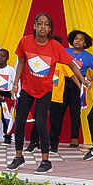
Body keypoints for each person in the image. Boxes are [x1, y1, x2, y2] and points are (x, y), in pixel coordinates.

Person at [7, 13, 85, 174]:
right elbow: (21, 62)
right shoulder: (25, 41)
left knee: (41, 122)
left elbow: (71, 64)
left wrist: (83, 80)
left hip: (45, 90)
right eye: (39, 23)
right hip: (27, 88)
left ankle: (45, 161)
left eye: (46, 24)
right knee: (19, 121)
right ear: (34, 26)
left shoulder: (55, 46)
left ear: (50, 29)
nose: (43, 27)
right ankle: (18, 156)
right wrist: (15, 83)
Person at [51, 30, 93, 150]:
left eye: (81, 40)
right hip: (62, 82)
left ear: (85, 43)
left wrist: (89, 79)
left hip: (77, 84)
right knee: (58, 111)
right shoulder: (65, 51)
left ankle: (74, 139)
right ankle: (54, 139)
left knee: (75, 112)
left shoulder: (88, 56)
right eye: (76, 39)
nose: (77, 41)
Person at [27, 37, 71, 152]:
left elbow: (73, 75)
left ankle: (54, 145)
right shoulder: (43, 60)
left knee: (55, 122)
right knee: (39, 119)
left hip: (56, 97)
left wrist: (82, 85)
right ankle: (34, 142)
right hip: (43, 94)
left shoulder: (63, 63)